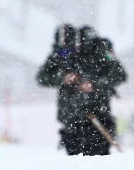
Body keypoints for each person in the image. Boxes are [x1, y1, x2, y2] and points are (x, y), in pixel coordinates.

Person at [36, 23, 129, 155]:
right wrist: (63, 77)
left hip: (97, 118)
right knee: (76, 163)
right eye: (63, 52)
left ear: (78, 44)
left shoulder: (97, 50)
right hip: (71, 119)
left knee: (99, 161)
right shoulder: (59, 53)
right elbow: (42, 77)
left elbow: (120, 75)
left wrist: (94, 84)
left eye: (70, 51)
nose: (66, 55)